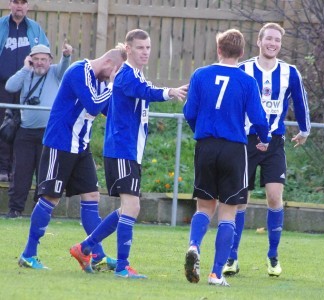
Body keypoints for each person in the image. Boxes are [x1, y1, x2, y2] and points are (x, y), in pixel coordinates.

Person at [69, 29, 188, 278]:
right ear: (129, 49)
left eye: (148, 47)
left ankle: (84, 247)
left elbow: (143, 89)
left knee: (127, 209)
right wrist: (170, 92)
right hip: (122, 149)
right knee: (131, 207)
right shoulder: (125, 75)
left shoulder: (135, 75)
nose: (145, 52)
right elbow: (145, 91)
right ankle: (122, 267)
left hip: (129, 151)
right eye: (140, 48)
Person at [18, 44, 127, 270]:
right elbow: (94, 106)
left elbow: (109, 109)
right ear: (109, 64)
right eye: (116, 72)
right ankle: (29, 254)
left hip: (80, 147)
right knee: (50, 198)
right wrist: (113, 85)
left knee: (91, 196)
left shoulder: (102, 80)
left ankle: (96, 255)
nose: (114, 77)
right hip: (60, 143)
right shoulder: (79, 71)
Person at [183, 28, 271, 287]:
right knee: (228, 213)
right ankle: (215, 273)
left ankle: (194, 246)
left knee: (204, 207)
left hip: (206, 146)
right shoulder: (246, 81)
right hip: (234, 149)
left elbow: (190, 112)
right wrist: (264, 139)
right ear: (242, 53)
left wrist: (200, 132)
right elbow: (258, 118)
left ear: (218, 49)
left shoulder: (200, 75)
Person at [222, 23, 311, 278]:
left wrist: (304, 130)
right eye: (268, 39)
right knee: (240, 201)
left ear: (280, 44)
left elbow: (300, 100)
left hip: (274, 142)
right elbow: (229, 100)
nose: (273, 43)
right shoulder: (244, 69)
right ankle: (232, 257)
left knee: (274, 196)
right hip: (246, 142)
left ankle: (273, 256)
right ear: (259, 41)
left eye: (277, 40)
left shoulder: (289, 72)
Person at [4, 41, 72, 219]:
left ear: (50, 60)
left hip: (48, 132)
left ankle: (40, 209)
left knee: (45, 172)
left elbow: (65, 67)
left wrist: (66, 56)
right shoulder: (26, 73)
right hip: (25, 132)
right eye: (36, 59)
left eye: (44, 59)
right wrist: (26, 68)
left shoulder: (56, 72)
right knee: (21, 172)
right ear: (30, 60)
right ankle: (15, 209)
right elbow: (10, 86)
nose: (40, 62)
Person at [0, 0, 49, 182]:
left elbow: (45, 55)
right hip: (3, 85)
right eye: (15, 2)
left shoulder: (35, 29)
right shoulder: (2, 26)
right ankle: (2, 168)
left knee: (20, 128)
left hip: (27, 87)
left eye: (23, 2)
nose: (19, 6)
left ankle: (15, 170)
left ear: (27, 6)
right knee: (3, 127)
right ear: (10, 4)